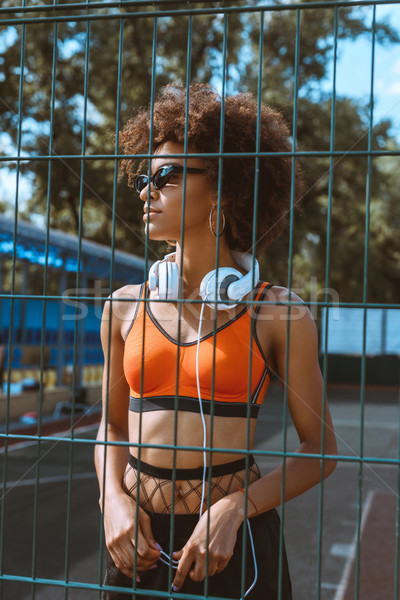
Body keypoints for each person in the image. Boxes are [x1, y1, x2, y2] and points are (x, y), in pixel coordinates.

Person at [95, 83, 337, 600]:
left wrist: (235, 508)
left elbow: (321, 449)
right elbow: (112, 424)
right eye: (145, 177)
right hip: (134, 543)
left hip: (233, 544)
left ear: (224, 188)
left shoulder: (279, 313)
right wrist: (111, 499)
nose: (146, 191)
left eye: (166, 176)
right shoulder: (123, 306)